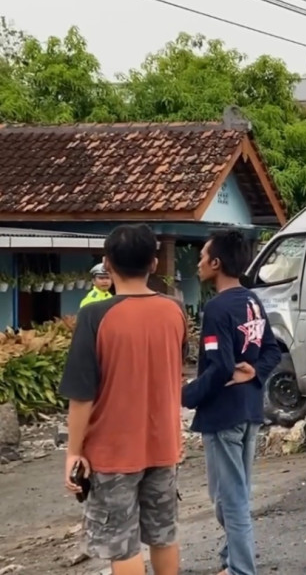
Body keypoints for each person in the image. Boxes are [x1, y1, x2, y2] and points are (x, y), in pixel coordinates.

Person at [58, 225, 187, 575]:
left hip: (113, 454)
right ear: (154, 263)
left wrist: (74, 450)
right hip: (163, 447)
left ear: (107, 262)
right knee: (163, 536)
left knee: (123, 544)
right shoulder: (174, 312)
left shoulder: (94, 316)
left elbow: (82, 395)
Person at [182, 229, 282, 575]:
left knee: (230, 498)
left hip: (223, 414)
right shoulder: (252, 301)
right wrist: (253, 373)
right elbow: (272, 350)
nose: (197, 263)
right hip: (250, 410)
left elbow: (221, 365)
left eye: (202, 256)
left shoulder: (216, 308)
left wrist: (185, 396)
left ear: (216, 262)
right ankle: (230, 559)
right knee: (229, 495)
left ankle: (241, 569)